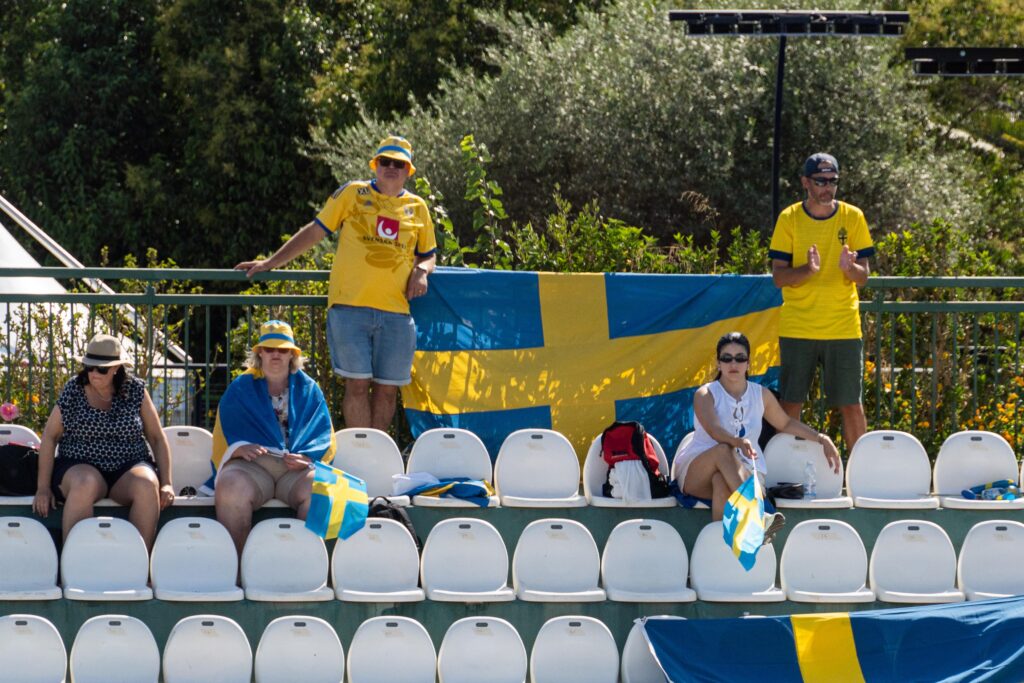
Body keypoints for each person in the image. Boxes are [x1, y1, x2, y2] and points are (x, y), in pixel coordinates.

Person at [235, 135, 437, 431]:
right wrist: (271, 262)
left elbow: (429, 255)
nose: (391, 168)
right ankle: (359, 452)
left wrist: (421, 271)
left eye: (399, 164)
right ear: (375, 165)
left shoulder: (418, 207)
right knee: (356, 386)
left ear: (408, 171)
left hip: (396, 312)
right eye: (385, 161)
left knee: (387, 391)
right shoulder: (352, 193)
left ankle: (376, 452)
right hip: (349, 308)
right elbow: (315, 232)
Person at [673, 332, 840, 542]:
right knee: (724, 451)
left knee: (722, 483)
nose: (733, 363)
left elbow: (785, 423)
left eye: (740, 358)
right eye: (727, 358)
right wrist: (737, 442)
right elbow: (715, 430)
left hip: (746, 470)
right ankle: (759, 517)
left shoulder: (761, 394)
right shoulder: (705, 394)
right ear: (718, 363)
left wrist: (821, 438)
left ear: (748, 363)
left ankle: (720, 548)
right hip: (699, 470)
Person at [769, 153, 874, 450]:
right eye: (820, 181)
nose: (828, 187)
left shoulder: (853, 217)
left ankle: (859, 471)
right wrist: (807, 270)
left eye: (833, 181)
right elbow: (779, 277)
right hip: (798, 326)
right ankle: (785, 470)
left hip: (843, 327)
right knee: (791, 403)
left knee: (851, 404)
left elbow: (863, 276)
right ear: (805, 182)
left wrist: (849, 269)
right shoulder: (789, 218)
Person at [32, 333, 174, 549]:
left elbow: (156, 437)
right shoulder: (74, 390)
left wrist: (166, 483)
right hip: (78, 464)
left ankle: (138, 561)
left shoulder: (135, 389)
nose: (93, 373)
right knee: (84, 483)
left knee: (147, 485)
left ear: (116, 368)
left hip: (128, 466)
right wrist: (43, 488)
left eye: (101, 369)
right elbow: (50, 437)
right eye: (89, 367)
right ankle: (73, 560)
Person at [211, 320, 337, 555]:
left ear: (292, 354)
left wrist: (308, 459)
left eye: (282, 349)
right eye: (269, 349)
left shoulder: (310, 389)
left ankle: (305, 564)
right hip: (253, 466)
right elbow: (225, 432)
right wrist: (238, 448)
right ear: (260, 353)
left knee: (323, 489)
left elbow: (323, 434)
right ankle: (236, 569)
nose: (276, 354)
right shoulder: (240, 388)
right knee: (230, 487)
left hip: (296, 470)